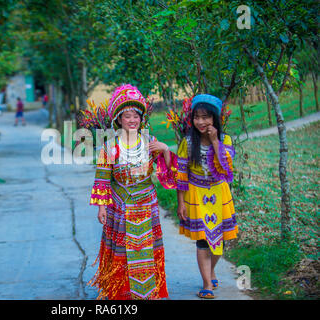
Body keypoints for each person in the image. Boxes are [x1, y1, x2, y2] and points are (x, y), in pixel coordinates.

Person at [88, 84, 178, 300]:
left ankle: (149, 293)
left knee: (147, 249)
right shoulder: (110, 147)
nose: (132, 120)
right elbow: (102, 179)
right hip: (120, 206)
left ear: (141, 118)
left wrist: (165, 149)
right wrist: (102, 207)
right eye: (127, 116)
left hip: (147, 206)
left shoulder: (150, 142)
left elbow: (169, 175)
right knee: (123, 250)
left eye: (136, 115)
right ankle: (122, 294)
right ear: (119, 119)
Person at [175, 94, 238, 299]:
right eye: (197, 117)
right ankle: (206, 284)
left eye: (206, 117)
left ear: (215, 118)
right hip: (196, 195)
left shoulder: (225, 140)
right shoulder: (187, 142)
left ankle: (211, 271)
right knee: (203, 241)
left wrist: (214, 140)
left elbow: (225, 167)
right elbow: (182, 174)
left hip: (220, 195)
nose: (201, 122)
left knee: (220, 242)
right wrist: (181, 203)